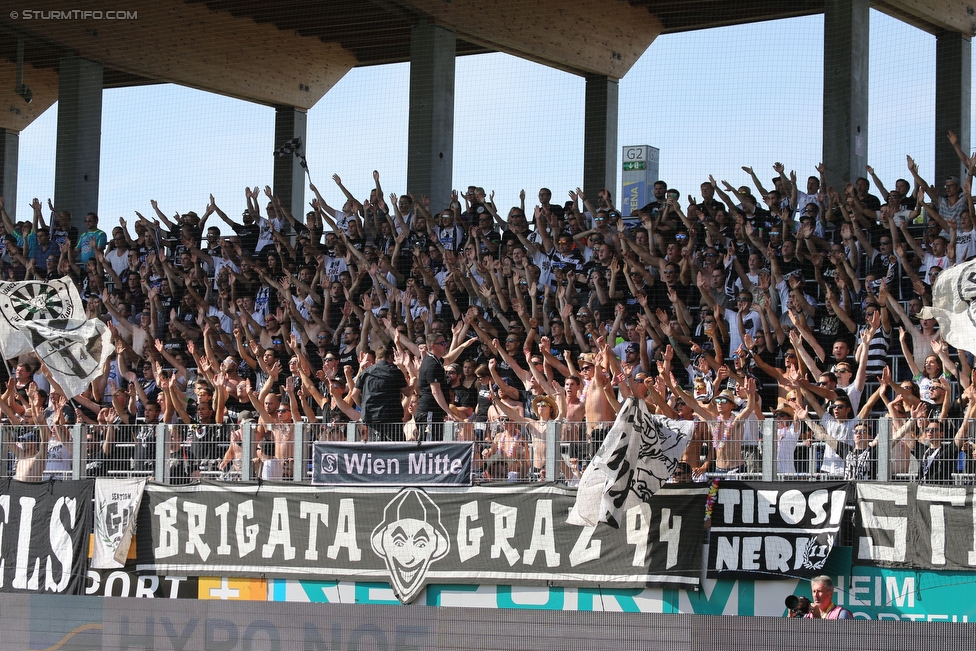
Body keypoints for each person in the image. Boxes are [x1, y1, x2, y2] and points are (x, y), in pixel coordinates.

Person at [352, 344, 412, 441]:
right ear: (390, 357)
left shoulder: (366, 372)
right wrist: (413, 382)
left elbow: (354, 394)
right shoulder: (395, 371)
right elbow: (408, 393)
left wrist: (363, 407)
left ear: (376, 358)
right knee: (396, 450)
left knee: (376, 450)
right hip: (391, 419)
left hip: (372, 419)